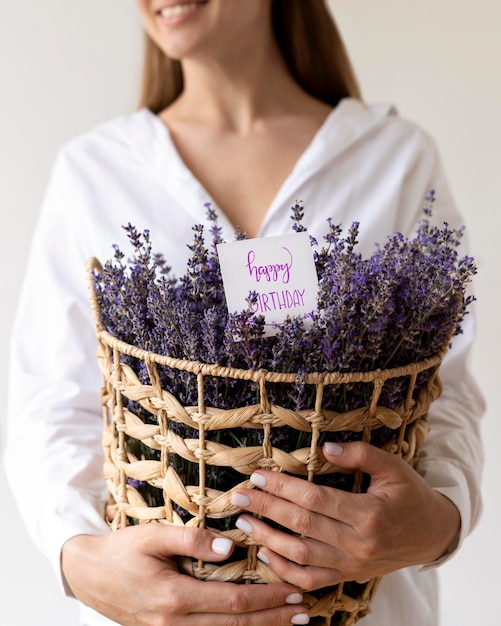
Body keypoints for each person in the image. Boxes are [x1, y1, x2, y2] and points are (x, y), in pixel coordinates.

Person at [4, 1, 484, 625]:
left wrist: (441, 522)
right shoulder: (99, 170)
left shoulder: (392, 158)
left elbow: (448, 395)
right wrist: (79, 560)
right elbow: (50, 403)